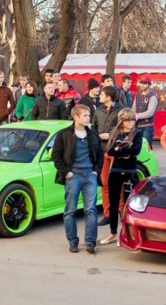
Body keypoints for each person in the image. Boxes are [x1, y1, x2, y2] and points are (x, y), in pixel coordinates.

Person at [51, 104, 103, 254]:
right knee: (70, 211)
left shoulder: (92, 135)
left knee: (91, 210)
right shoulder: (64, 134)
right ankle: (73, 241)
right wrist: (66, 173)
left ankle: (90, 242)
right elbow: (56, 156)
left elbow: (100, 155)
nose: (89, 118)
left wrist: (96, 171)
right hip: (73, 177)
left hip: (90, 177)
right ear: (76, 117)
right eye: (85, 115)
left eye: (89, 115)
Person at [100, 108, 142, 246]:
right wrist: (123, 151)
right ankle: (113, 232)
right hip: (116, 170)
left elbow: (136, 151)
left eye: (132, 119)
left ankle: (125, 232)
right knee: (113, 203)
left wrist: (121, 149)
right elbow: (110, 150)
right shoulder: (116, 132)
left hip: (130, 171)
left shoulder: (137, 134)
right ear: (122, 120)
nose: (130, 122)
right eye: (127, 120)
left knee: (128, 204)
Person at [93, 86, 122, 227]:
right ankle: (107, 214)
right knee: (104, 183)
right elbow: (93, 127)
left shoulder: (121, 111)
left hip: (116, 150)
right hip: (102, 150)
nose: (99, 96)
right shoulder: (98, 110)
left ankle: (121, 211)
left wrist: (110, 135)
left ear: (109, 97)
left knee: (117, 182)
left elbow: (125, 129)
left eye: (102, 94)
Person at [132, 76, 158, 146]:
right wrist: (132, 115)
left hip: (147, 127)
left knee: (147, 148)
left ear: (149, 85)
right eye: (141, 83)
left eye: (144, 83)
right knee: (137, 147)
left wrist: (137, 116)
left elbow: (150, 113)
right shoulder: (137, 95)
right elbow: (133, 108)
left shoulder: (152, 96)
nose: (142, 85)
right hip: (137, 126)